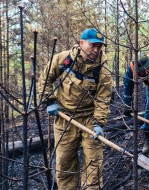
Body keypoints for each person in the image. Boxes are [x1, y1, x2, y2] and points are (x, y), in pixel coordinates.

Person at [38, 28, 113, 189]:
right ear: (81, 43)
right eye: (93, 45)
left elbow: (103, 99)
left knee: (94, 164)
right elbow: (46, 78)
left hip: (89, 119)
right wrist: (49, 101)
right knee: (65, 163)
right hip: (64, 117)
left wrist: (99, 123)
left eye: (99, 46)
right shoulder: (64, 59)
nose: (96, 50)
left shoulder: (103, 70)